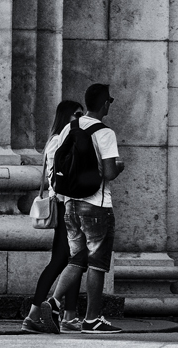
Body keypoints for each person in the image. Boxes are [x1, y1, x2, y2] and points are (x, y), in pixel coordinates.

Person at [45, 83, 126, 334]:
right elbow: (110, 173)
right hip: (96, 205)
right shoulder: (105, 133)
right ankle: (92, 319)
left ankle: (53, 302)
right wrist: (119, 166)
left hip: (69, 204)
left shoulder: (69, 127)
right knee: (97, 264)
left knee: (77, 258)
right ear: (105, 104)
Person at [21, 100, 85, 334]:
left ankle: (68, 315)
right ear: (67, 116)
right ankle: (35, 314)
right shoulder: (60, 140)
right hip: (64, 204)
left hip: (65, 204)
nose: (80, 117)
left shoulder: (58, 139)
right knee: (64, 261)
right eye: (77, 114)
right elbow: (61, 174)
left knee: (72, 261)